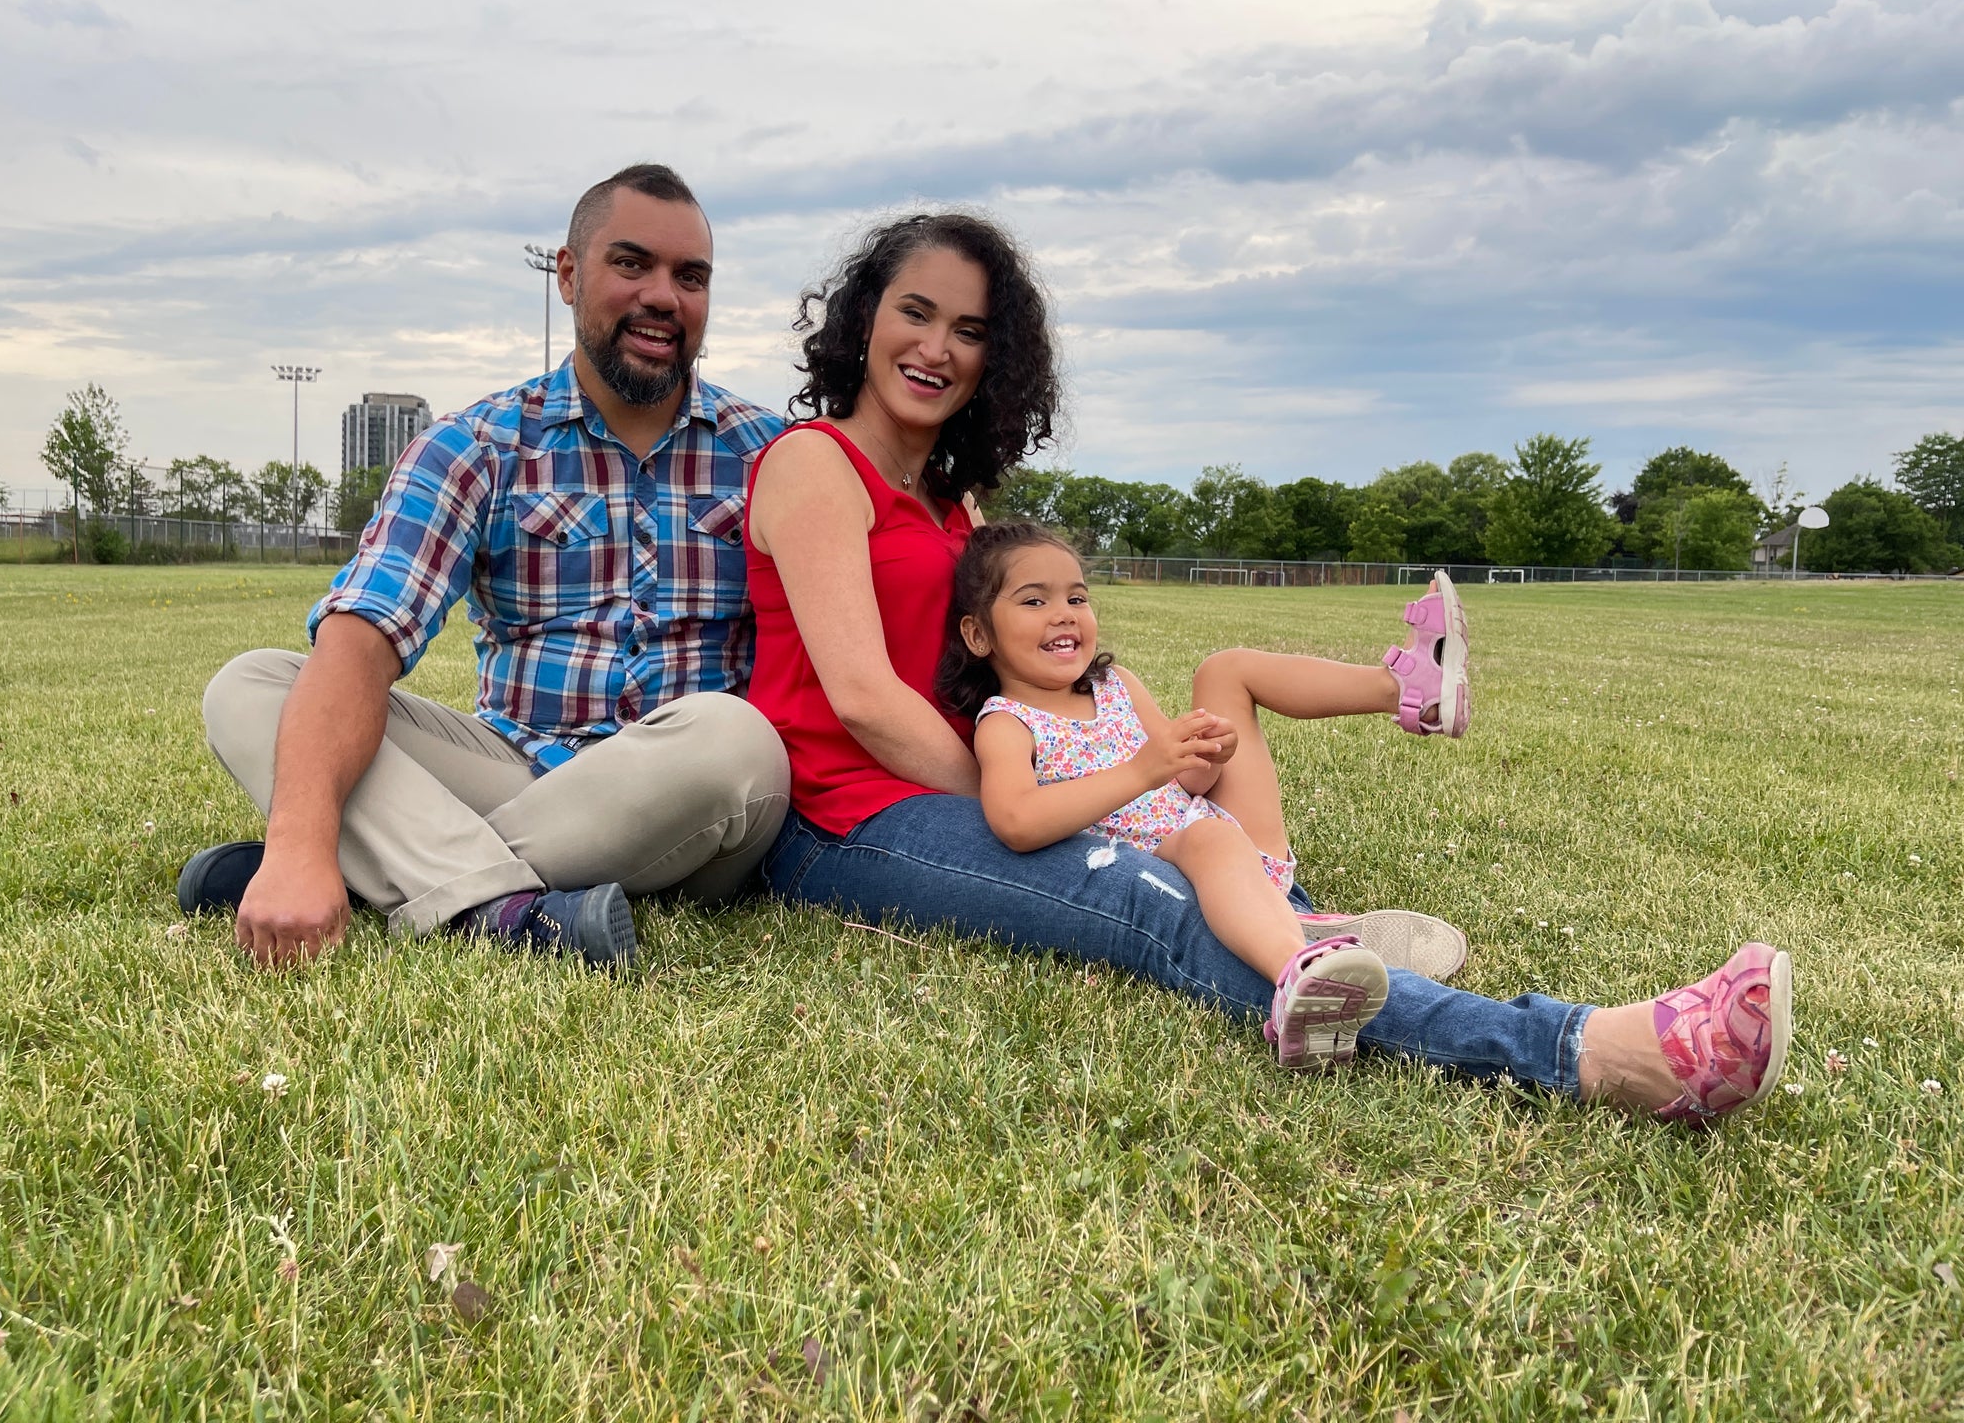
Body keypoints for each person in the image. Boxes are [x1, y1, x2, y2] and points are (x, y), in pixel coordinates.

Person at [744, 208, 1792, 1123]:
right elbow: (866, 699)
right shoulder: (811, 465)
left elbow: (1025, 676)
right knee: (1151, 899)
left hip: (966, 781)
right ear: (863, 318)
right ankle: (1584, 1052)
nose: (936, 347)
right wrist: (1061, 806)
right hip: (846, 818)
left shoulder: (957, 508)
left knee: (1191, 857)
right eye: (914, 312)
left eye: (969, 330)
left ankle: (1303, 926)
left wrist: (1103, 777)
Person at [183, 163, 791, 968]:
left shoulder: (772, 456)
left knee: (736, 740)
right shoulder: (477, 444)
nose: (663, 297)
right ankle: (500, 912)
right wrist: (299, 837)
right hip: (517, 769)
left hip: (684, 795)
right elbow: (364, 635)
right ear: (568, 276)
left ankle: (385, 872)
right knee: (253, 685)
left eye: (691, 277)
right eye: (631, 264)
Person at [939, 521, 1489, 1067]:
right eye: (1034, 600)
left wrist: (1205, 756)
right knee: (1208, 839)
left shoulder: (1117, 685)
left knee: (1226, 670)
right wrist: (1142, 771)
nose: (1064, 612)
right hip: (1174, 865)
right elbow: (1015, 819)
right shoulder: (1008, 724)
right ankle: (1297, 970)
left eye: (1076, 596)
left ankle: (1408, 690)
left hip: (1223, 835)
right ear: (978, 635)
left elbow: (1181, 779)